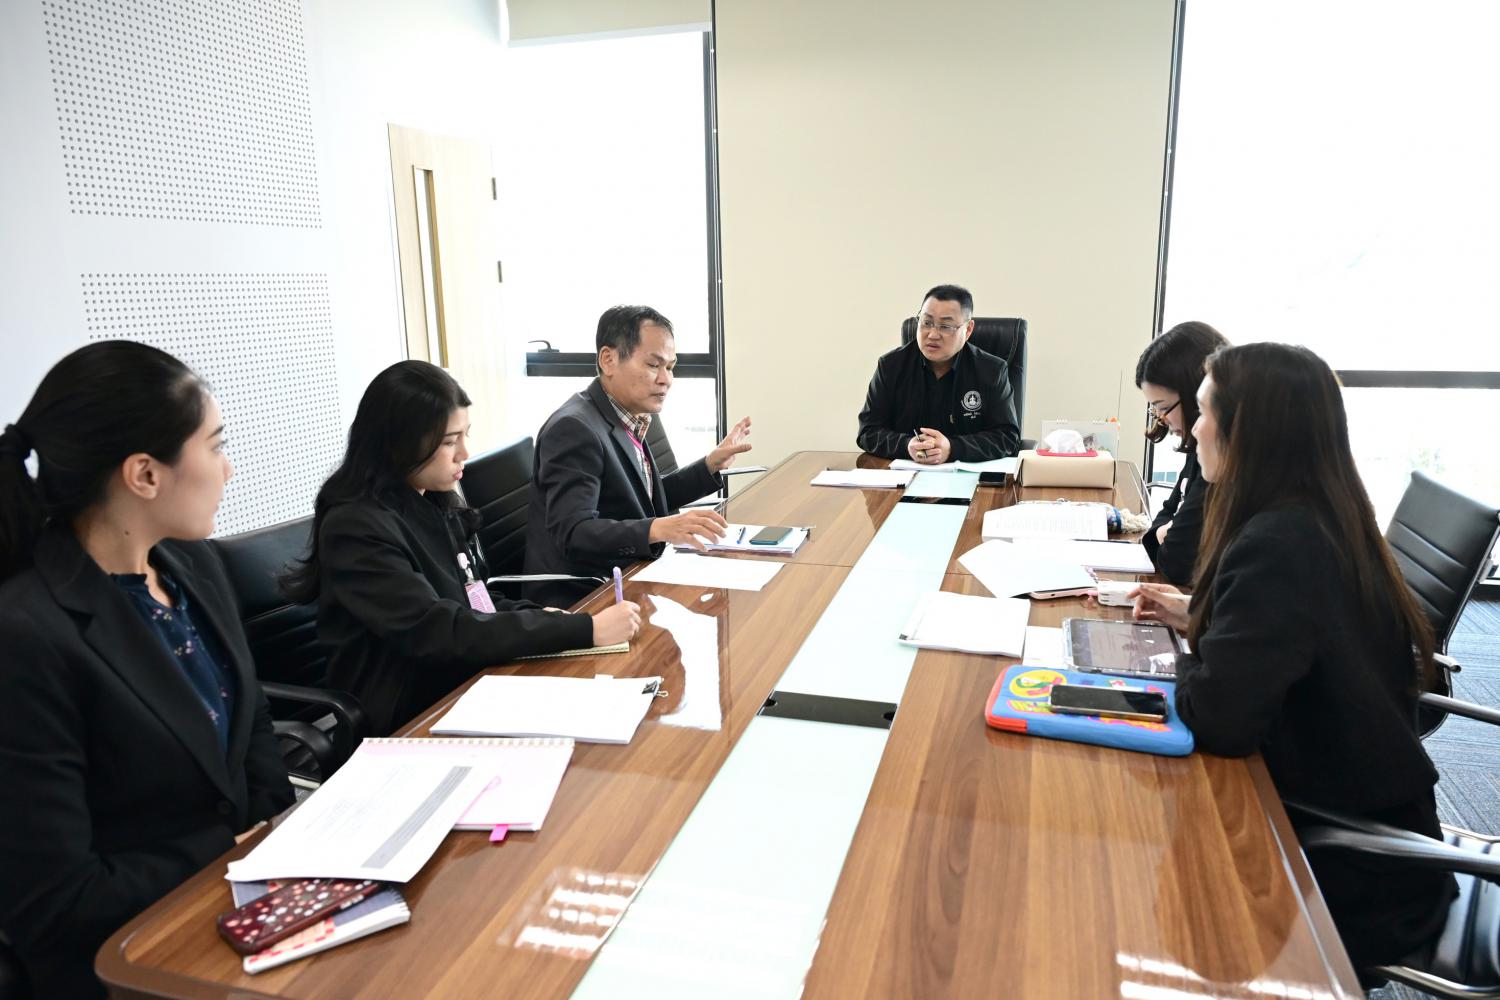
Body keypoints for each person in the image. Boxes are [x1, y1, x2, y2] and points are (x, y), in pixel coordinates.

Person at [1131, 342, 1454, 972]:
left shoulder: (1278, 543)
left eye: (1203, 412)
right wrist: (1202, 619)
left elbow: (1220, 720)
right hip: (1364, 815)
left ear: (1248, 431)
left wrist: (1183, 657)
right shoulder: (1316, 514)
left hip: (1349, 862)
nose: (1192, 431)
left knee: (1152, 890)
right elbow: (1294, 640)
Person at [0, 341, 294, 998]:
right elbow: (56, 902)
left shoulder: (193, 565)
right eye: (215, 446)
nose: (229, 468)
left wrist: (275, 833)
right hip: (130, 956)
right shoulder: (27, 634)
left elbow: (251, 719)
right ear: (144, 474)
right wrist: (233, 847)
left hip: (245, 900)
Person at [281, 361, 641, 735]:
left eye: (465, 435)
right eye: (449, 441)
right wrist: (581, 630)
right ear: (400, 442)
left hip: (464, 682)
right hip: (410, 715)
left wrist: (549, 618)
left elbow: (475, 599)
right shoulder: (355, 528)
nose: (464, 452)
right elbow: (438, 630)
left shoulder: (433, 501)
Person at [524, 305, 753, 608]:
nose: (666, 379)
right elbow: (574, 532)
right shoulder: (574, 429)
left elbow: (641, 499)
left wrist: (709, 465)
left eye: (670, 367)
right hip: (587, 597)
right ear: (608, 360)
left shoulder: (627, 415)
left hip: (632, 572)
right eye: (654, 365)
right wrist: (657, 528)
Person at [856, 284, 1020, 463]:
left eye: (945, 326)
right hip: (905, 473)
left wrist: (952, 448)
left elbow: (1007, 437)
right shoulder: (890, 366)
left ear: (968, 330)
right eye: (926, 323)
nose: (933, 334)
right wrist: (906, 445)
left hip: (968, 475)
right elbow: (868, 431)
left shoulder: (991, 370)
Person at [1133, 321, 1229, 585]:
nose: (1161, 419)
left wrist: (1165, 533)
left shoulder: (1221, 463)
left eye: (1164, 408)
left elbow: (1178, 561)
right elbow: (1166, 514)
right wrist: (1164, 531)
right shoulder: (1200, 449)